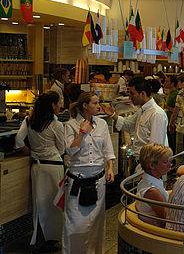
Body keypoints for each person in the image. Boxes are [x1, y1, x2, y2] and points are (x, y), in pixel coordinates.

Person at [64, 92, 115, 254]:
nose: (98, 106)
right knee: (75, 224)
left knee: (97, 222)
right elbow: (70, 150)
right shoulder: (71, 125)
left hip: (98, 179)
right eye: (95, 103)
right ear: (85, 105)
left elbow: (107, 148)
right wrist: (82, 133)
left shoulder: (101, 124)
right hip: (77, 180)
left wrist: (111, 168)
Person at [15, 91, 64, 251]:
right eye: (59, 103)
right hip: (54, 165)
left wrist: (31, 151)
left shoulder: (29, 120)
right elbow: (62, 148)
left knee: (39, 204)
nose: (60, 105)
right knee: (55, 203)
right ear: (52, 105)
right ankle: (53, 238)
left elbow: (18, 141)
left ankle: (39, 238)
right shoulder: (56, 124)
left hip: (37, 166)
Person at [103, 77, 168, 168]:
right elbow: (128, 125)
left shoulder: (156, 114)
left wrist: (149, 170)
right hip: (141, 161)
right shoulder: (142, 110)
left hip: (149, 165)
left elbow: (156, 147)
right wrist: (113, 115)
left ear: (142, 93)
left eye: (132, 94)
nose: (130, 97)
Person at [136, 144, 172, 226]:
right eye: (165, 162)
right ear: (152, 165)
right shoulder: (152, 191)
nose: (170, 165)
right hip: (157, 234)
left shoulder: (145, 181)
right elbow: (168, 220)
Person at [163, 76, 179, 152]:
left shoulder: (176, 94)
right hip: (168, 121)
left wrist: (167, 107)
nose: (164, 83)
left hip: (172, 123)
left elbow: (177, 110)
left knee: (172, 145)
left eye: (166, 81)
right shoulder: (170, 93)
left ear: (172, 83)